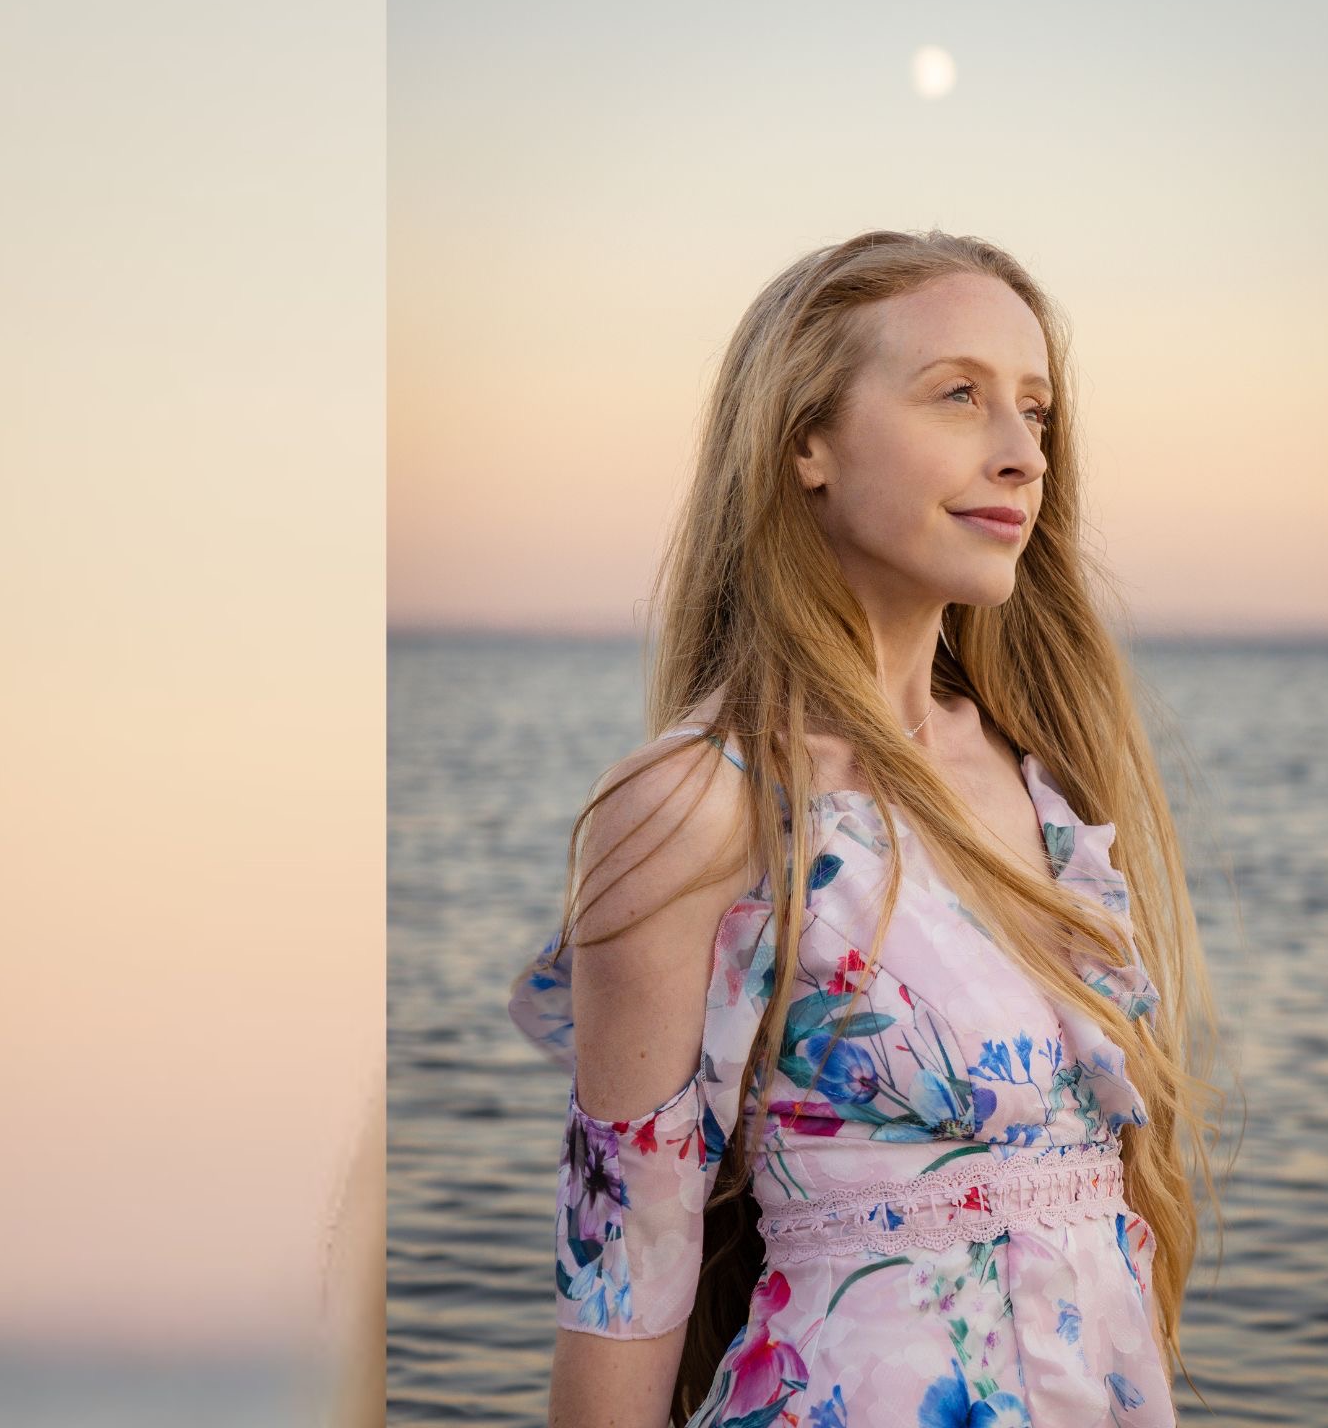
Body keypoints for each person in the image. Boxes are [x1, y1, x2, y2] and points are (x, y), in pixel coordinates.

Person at [507, 229, 1228, 1427]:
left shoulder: (1041, 778)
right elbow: (621, 1272)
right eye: (959, 396)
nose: (1020, 455)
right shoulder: (698, 803)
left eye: (1035, 412)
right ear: (807, 443)